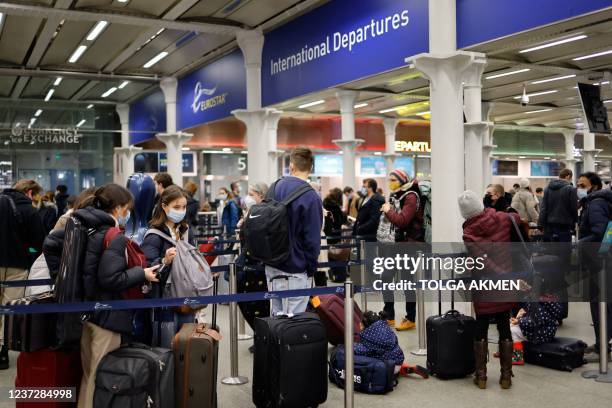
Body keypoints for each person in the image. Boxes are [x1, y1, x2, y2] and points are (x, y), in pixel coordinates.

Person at [75, 184, 159, 407]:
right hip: (108, 315)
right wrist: (142, 273)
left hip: (87, 312)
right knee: (101, 375)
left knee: (88, 374)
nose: (128, 213)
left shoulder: (87, 228)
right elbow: (110, 278)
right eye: (127, 208)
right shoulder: (114, 235)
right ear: (119, 208)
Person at [459, 190, 520, 390]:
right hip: (506, 280)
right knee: (504, 324)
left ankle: (482, 376)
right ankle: (505, 376)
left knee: (481, 325)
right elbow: (518, 221)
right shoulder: (503, 218)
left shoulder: (468, 233)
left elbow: (480, 262)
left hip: (485, 283)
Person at [265, 147, 322, 315]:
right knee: (293, 324)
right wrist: (311, 268)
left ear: (291, 166)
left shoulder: (274, 188)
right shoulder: (311, 197)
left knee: (276, 319)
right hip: (295, 268)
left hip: (271, 263)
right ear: (311, 168)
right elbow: (312, 240)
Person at [0, 179, 46, 370]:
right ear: (29, 192)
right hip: (17, 266)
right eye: (36, 196)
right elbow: (39, 242)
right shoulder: (29, 211)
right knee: (8, 308)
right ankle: (2, 351)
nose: (36, 200)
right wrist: (28, 253)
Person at [141, 185, 194, 348]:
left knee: (186, 342)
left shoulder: (184, 230)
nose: (181, 211)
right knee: (167, 345)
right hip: (165, 300)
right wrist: (164, 261)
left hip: (185, 297)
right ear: (164, 206)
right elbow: (149, 268)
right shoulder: (153, 235)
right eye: (176, 207)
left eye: (184, 207)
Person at [379, 169, 424, 331]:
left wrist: (388, 210)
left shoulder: (411, 196)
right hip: (395, 244)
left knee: (407, 282)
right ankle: (389, 314)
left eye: (393, 179)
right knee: (385, 278)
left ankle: (410, 317)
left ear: (402, 180)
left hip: (409, 246)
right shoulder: (395, 195)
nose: (390, 182)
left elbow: (403, 221)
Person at [577, 172, 612, 362]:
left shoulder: (596, 203)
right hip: (603, 258)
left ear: (595, 186)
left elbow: (601, 231)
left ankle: (602, 348)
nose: (579, 188)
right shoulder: (596, 202)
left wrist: (580, 243)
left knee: (599, 304)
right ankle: (602, 344)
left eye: (583, 185)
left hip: (599, 260)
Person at [538, 168, 577, 241]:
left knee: (552, 249)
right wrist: (575, 222)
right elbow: (573, 208)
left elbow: (543, 207)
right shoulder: (571, 189)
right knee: (564, 249)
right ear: (568, 176)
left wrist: (541, 223)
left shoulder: (547, 188)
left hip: (549, 225)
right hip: (565, 224)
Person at [323, 188, 348, 282]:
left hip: (327, 233)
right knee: (337, 255)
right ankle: (339, 275)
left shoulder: (325, 203)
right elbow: (340, 220)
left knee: (330, 254)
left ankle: (333, 275)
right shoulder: (336, 206)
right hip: (336, 234)